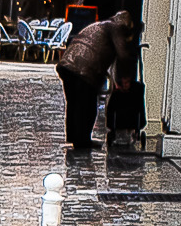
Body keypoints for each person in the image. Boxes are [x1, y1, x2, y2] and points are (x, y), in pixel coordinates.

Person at [56, 11, 137, 152]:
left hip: (67, 65)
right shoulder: (116, 28)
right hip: (84, 69)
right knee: (86, 105)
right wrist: (125, 76)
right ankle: (82, 141)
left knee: (74, 103)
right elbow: (122, 54)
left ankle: (76, 139)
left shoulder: (100, 25)